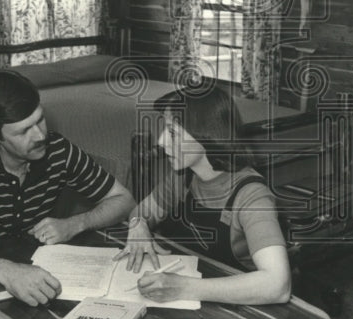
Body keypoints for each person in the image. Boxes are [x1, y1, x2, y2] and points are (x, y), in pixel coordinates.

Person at [0, 69, 135, 306]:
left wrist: (76, 223)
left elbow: (123, 199)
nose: (40, 135)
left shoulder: (59, 150)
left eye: (40, 119)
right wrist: (6, 271)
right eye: (23, 131)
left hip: (37, 272)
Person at [115, 83, 291, 306]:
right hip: (195, 290)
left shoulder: (251, 196)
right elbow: (142, 211)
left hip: (236, 302)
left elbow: (278, 285)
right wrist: (138, 224)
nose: (160, 142)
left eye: (172, 133)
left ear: (207, 134)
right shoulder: (183, 177)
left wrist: (184, 287)